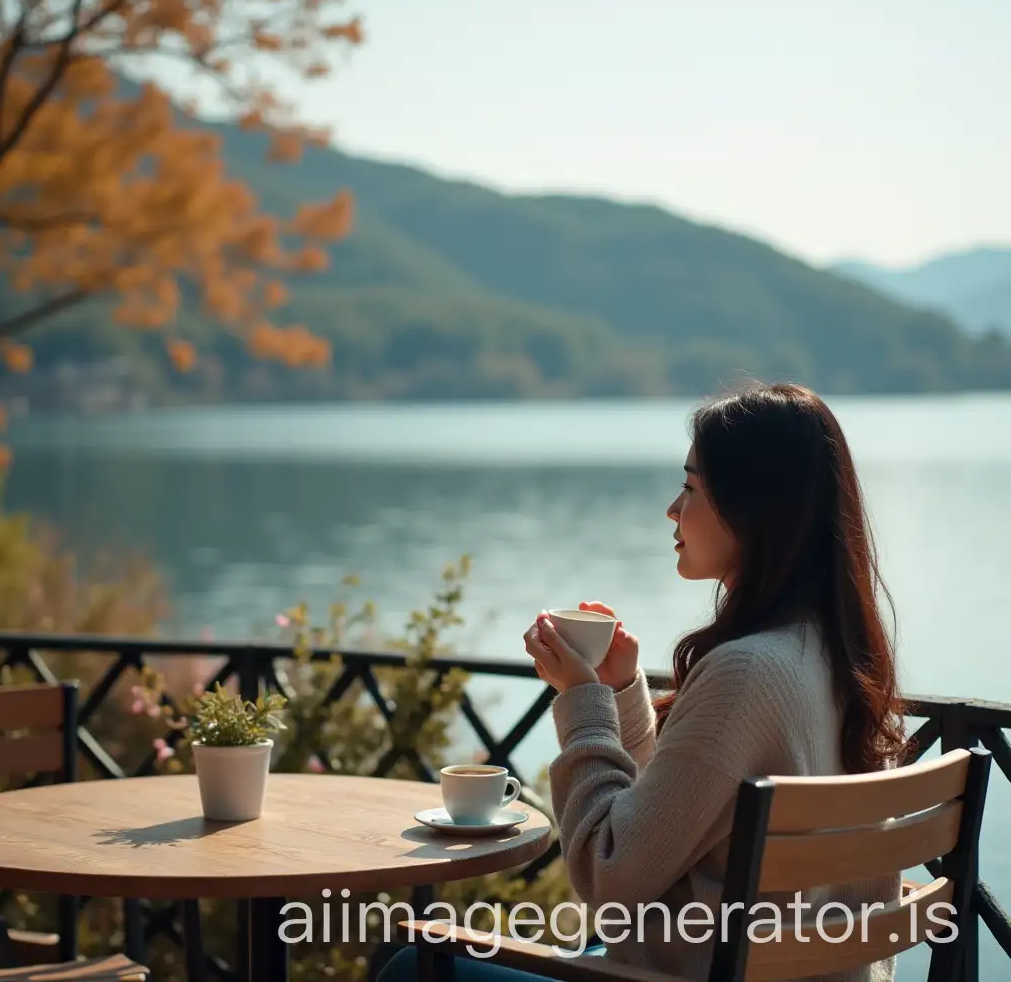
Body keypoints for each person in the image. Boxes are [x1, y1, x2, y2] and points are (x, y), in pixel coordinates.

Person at [377, 381, 904, 982]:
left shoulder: (745, 673)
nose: (673, 510)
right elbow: (678, 817)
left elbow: (610, 876)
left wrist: (582, 704)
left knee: (409, 969)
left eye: (690, 487)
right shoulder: (830, 653)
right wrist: (625, 694)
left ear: (756, 510)